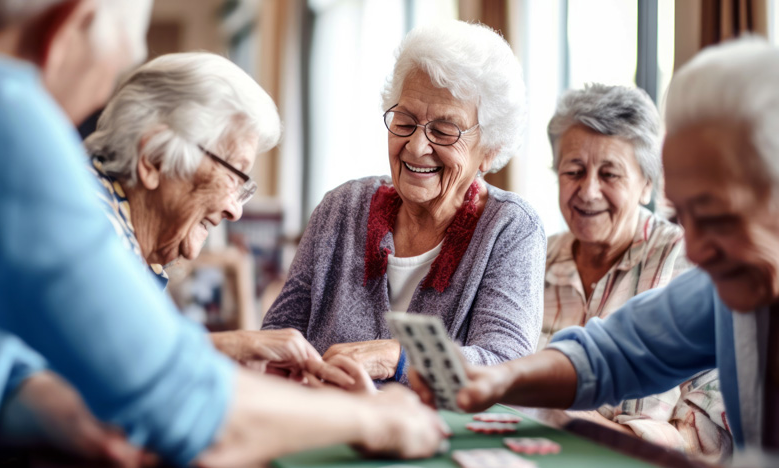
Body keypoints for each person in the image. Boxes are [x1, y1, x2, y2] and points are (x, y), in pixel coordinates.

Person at [0, 2, 444, 467]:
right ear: (66, 28)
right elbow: (179, 403)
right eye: (235, 175)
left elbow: (9, 370)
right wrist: (376, 419)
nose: (234, 209)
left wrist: (67, 401)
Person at [410, 37, 779, 455]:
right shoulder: (722, 290)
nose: (693, 250)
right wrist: (500, 378)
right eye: (683, 217)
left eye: (716, 217)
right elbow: (611, 354)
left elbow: (706, 445)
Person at [262, 19, 545, 384]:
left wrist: (397, 358)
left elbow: (507, 368)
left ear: (489, 150)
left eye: (444, 131)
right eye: (405, 121)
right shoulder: (341, 209)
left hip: (434, 439)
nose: (416, 147)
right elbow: (277, 339)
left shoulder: (511, 228)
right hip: (324, 426)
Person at [83, 51, 351, 376]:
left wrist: (229, 347)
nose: (235, 210)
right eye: (233, 175)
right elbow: (114, 373)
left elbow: (132, 349)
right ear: (153, 158)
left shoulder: (115, 230)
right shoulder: (91, 228)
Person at [542, 84, 729, 457]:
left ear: (646, 184)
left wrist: (592, 429)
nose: (588, 191)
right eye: (573, 171)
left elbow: (712, 431)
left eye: (610, 174)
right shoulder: (537, 257)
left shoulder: (689, 262)